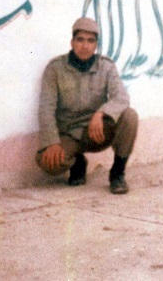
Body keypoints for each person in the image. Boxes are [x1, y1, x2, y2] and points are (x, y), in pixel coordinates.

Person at [36, 17, 138, 194]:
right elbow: (46, 108)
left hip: (97, 132)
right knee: (47, 162)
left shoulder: (106, 67)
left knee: (129, 116)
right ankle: (78, 163)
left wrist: (101, 114)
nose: (85, 46)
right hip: (69, 134)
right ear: (72, 42)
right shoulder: (55, 69)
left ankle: (117, 174)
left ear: (96, 45)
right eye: (80, 40)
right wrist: (52, 142)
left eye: (90, 41)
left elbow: (121, 97)